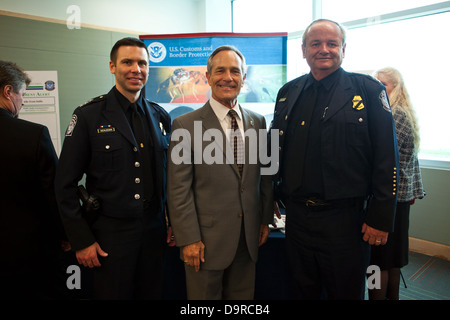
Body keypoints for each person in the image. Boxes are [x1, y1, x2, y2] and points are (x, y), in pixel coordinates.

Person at [270, 19, 399, 299]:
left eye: (332, 43)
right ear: (303, 50)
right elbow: (272, 148)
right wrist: (267, 196)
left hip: (346, 220)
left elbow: (387, 155)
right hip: (298, 218)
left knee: (345, 292)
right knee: (301, 290)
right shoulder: (287, 93)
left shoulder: (367, 89)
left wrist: (381, 216)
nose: (324, 49)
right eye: (315, 44)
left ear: (344, 49)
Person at [55, 37, 172, 299]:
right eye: (127, 62)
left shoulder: (159, 115)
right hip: (109, 236)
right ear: (112, 66)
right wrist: (81, 239)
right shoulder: (88, 116)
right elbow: (64, 184)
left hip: (154, 234)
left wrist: (172, 221)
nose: (136, 69)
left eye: (142, 63)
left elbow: (167, 175)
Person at [167, 45, 273, 300]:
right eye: (220, 70)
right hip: (204, 242)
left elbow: (264, 176)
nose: (228, 77)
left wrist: (263, 219)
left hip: (247, 240)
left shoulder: (257, 121)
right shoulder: (185, 124)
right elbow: (178, 188)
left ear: (244, 78)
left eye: (235, 71)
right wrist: (188, 238)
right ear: (208, 77)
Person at [0, 60, 69, 299]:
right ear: (8, 92)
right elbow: (54, 193)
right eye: (22, 94)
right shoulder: (33, 135)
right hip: (30, 259)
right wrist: (67, 235)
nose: (22, 101)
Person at [369, 67, 425, 300]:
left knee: (377, 261)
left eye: (384, 85)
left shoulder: (394, 114)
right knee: (391, 259)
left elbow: (386, 159)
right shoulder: (402, 111)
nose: (379, 89)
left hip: (389, 198)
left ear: (396, 86)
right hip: (399, 198)